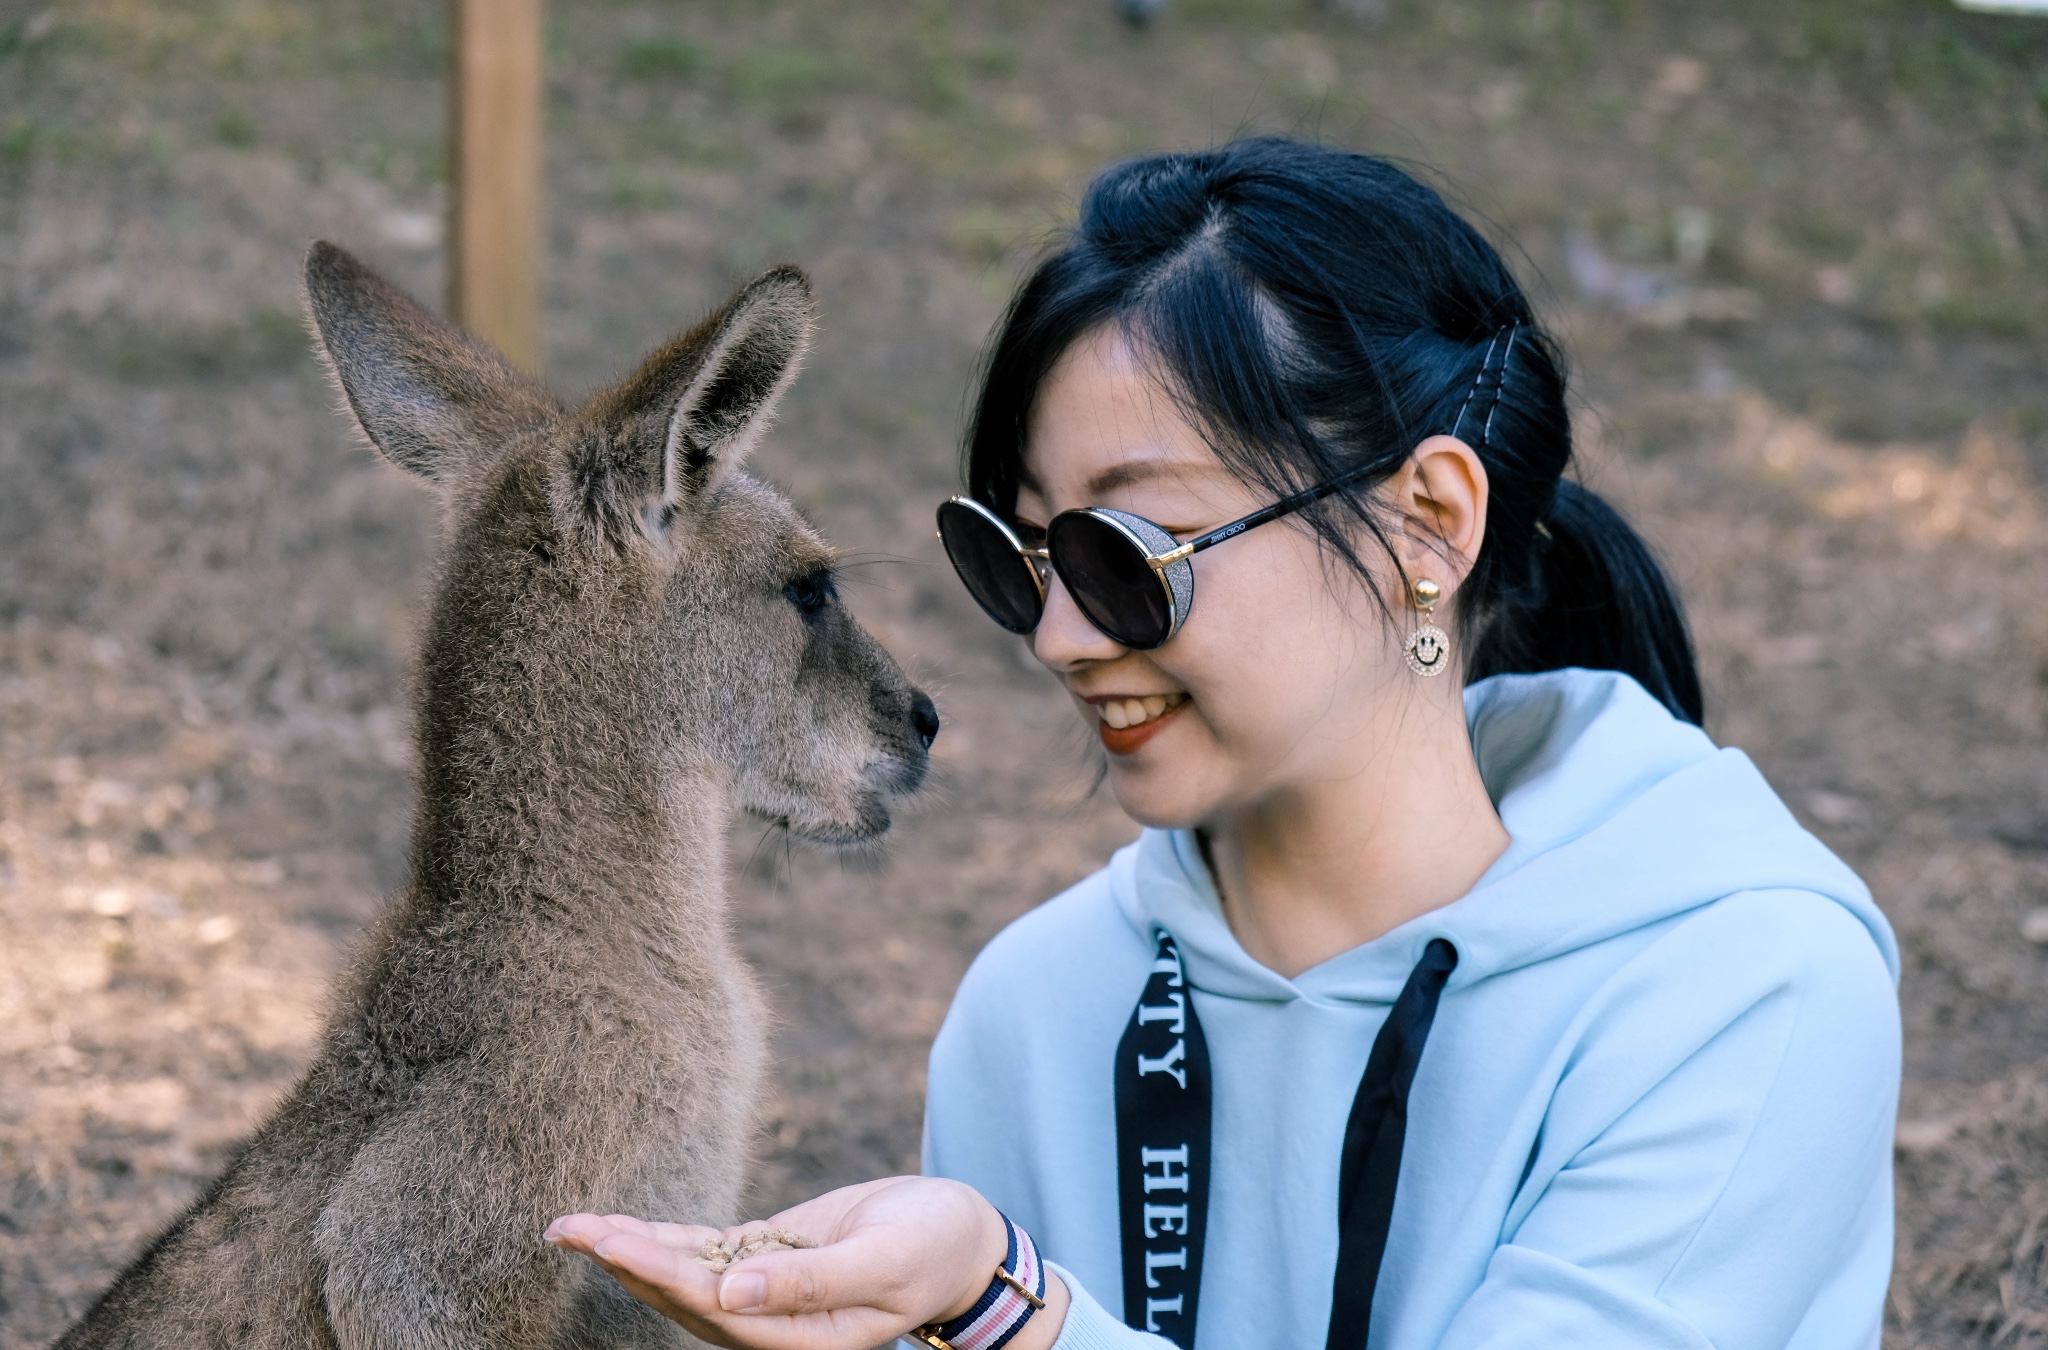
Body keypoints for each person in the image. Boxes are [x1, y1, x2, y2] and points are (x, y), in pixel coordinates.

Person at [547, 138, 1900, 1350]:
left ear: (1429, 522)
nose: (1061, 636)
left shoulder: (1747, 990)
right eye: (1020, 557)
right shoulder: (1036, 1013)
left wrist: (1011, 1310)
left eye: (1128, 551)